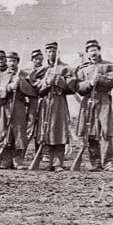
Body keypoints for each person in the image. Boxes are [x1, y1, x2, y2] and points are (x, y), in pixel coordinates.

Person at [75, 39, 113, 171]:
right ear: (87, 53)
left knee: (105, 131)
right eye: (90, 51)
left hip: (103, 100)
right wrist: (89, 83)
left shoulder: (110, 67)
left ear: (99, 51)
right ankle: (95, 162)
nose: (93, 53)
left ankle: (108, 163)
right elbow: (78, 87)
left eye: (95, 50)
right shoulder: (82, 69)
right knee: (90, 131)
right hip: (88, 100)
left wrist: (100, 78)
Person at [31, 41, 76, 171]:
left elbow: (73, 86)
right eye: (49, 51)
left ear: (58, 53)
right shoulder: (41, 70)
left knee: (58, 130)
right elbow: (33, 84)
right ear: (46, 53)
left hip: (58, 102)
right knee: (45, 131)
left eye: (54, 51)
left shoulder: (65, 68)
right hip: (45, 103)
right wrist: (45, 82)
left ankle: (57, 163)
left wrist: (58, 80)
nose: (51, 54)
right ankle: (48, 161)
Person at [0, 52, 38, 169]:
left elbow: (32, 92)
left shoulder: (24, 75)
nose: (11, 63)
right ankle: (5, 160)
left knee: (19, 133)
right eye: (9, 61)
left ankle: (18, 161)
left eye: (14, 61)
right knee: (4, 132)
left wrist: (21, 84)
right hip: (5, 108)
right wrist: (8, 87)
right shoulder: (1, 76)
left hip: (19, 107)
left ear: (17, 62)